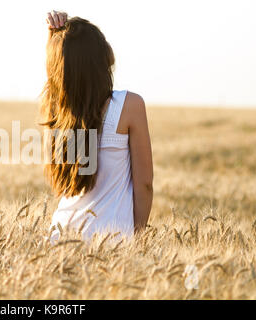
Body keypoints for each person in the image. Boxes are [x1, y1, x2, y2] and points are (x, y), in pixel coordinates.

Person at [42, 11, 153, 242]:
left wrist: (55, 41)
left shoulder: (57, 111)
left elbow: (59, 78)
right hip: (111, 240)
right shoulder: (130, 105)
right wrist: (138, 239)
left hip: (60, 238)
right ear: (99, 59)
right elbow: (144, 184)